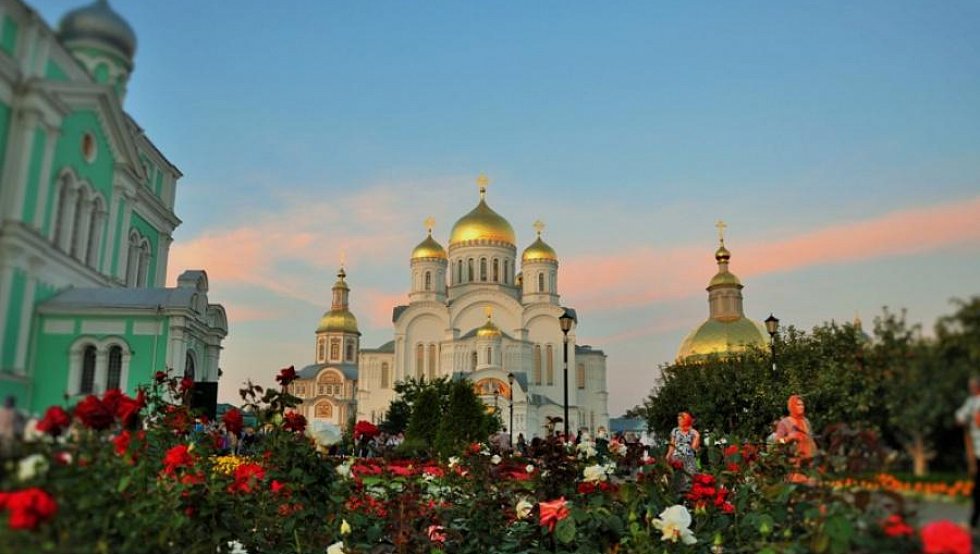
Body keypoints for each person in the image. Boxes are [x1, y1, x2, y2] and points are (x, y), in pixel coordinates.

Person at [955, 377, 980, 529]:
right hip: (977, 451)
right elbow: (959, 417)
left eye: (973, 386)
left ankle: (973, 521)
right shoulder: (971, 402)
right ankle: (973, 521)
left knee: (978, 488)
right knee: (977, 487)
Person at [775, 395, 818, 483]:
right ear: (792, 406)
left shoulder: (806, 421)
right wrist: (789, 438)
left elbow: (811, 439)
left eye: (802, 404)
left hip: (809, 462)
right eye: (798, 405)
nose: (801, 407)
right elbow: (778, 441)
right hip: (794, 463)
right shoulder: (784, 423)